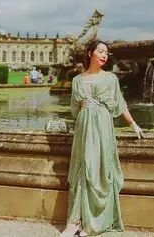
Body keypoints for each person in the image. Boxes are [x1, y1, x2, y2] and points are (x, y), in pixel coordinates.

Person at [60, 40, 144, 237]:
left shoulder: (111, 78)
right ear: (90, 54)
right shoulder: (77, 80)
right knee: (83, 169)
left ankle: (93, 223)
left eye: (106, 52)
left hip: (103, 126)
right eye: (100, 51)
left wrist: (133, 124)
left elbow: (120, 104)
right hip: (84, 129)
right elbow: (74, 109)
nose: (105, 55)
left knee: (99, 169)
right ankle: (75, 222)